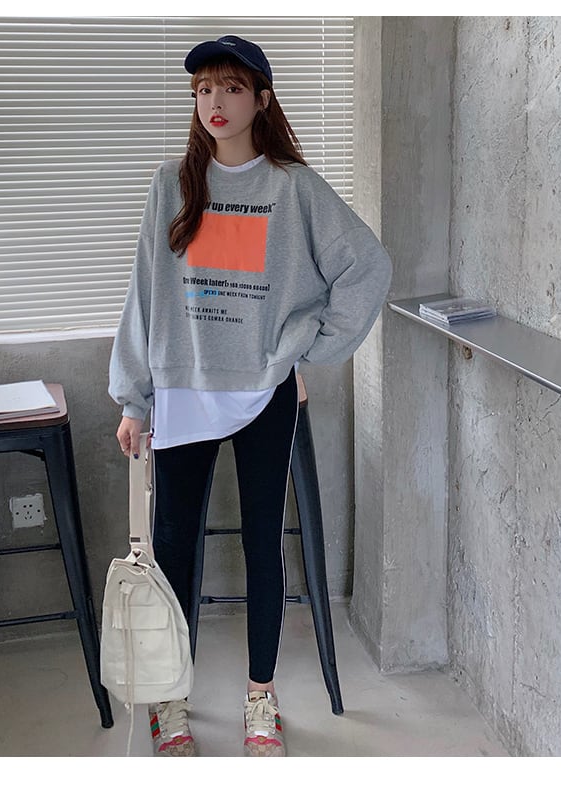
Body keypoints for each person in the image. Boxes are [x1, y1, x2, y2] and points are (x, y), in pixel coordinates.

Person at [109, 35, 392, 757]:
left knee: (265, 545)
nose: (216, 102)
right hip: (183, 391)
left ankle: (260, 696)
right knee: (174, 549)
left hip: (264, 393)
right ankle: (171, 697)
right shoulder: (171, 184)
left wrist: (310, 350)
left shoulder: (292, 188)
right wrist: (134, 398)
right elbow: (145, 296)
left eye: (232, 88)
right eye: (204, 89)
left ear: (262, 99)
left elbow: (366, 265)